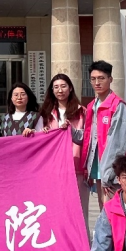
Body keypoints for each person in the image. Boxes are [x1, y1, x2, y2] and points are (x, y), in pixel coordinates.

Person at [26, 74, 88, 232]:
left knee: (79, 212)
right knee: (56, 211)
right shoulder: (46, 113)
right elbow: (39, 139)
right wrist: (36, 133)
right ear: (52, 91)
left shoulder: (82, 112)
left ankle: (83, 245)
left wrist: (71, 131)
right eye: (56, 87)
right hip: (53, 170)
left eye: (63, 86)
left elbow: (88, 138)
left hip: (76, 168)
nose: (60, 90)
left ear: (70, 88)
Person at [80, 60, 126, 211]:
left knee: (114, 208)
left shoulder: (117, 106)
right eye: (93, 79)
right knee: (103, 206)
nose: (97, 83)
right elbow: (89, 135)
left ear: (110, 79)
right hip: (98, 165)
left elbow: (118, 143)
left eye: (101, 78)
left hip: (113, 168)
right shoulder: (92, 106)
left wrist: (110, 173)